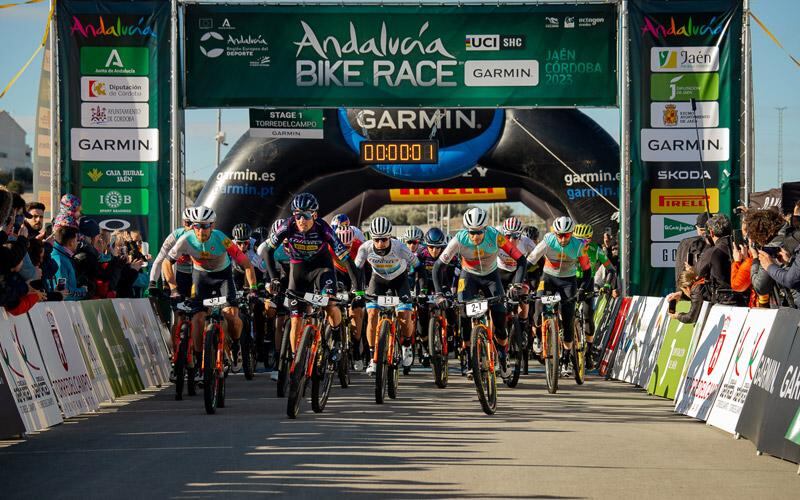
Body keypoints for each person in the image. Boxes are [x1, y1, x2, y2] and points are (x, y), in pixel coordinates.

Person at [260, 193, 359, 364]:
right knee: (295, 317)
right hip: (298, 270)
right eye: (297, 215)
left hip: (322, 268)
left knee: (329, 303)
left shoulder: (323, 228)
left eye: (305, 215)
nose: (301, 220)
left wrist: (356, 287)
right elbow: (267, 250)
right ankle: (295, 361)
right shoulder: (288, 225)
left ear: (314, 215)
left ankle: (336, 338)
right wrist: (274, 278)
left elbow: (345, 257)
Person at [433, 207, 527, 379]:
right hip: (469, 276)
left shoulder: (495, 236)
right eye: (471, 232)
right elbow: (438, 267)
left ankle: (503, 355)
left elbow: (521, 260)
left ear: (485, 229)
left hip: (491, 277)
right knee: (463, 315)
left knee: (499, 320)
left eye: (478, 233)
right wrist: (439, 294)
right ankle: (470, 358)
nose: (474, 237)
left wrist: (516, 285)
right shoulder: (460, 238)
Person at [164, 206, 258, 374]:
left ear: (212, 226)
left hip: (223, 277)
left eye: (205, 226)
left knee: (230, 314)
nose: (201, 230)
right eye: (197, 226)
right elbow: (166, 262)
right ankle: (201, 360)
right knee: (198, 319)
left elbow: (246, 264)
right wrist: (173, 289)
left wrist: (253, 289)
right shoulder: (185, 239)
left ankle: (235, 345)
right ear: (193, 226)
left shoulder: (222, 239)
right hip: (201, 278)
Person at [527, 216, 592, 376]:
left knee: (568, 319)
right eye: (560, 235)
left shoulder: (578, 246)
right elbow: (531, 260)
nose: (563, 239)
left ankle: (565, 358)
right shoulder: (548, 241)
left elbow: (587, 270)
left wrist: (583, 288)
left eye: (566, 235)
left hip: (568, 281)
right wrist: (523, 282)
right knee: (537, 306)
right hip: (548, 278)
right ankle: (538, 338)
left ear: (571, 234)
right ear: (555, 234)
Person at [355, 217, 419, 375]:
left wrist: (421, 290)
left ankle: (406, 346)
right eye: (377, 239)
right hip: (378, 281)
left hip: (400, 280)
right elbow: (357, 270)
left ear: (390, 237)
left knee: (404, 316)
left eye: (384, 239)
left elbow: (419, 266)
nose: (380, 243)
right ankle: (372, 357)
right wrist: (358, 291)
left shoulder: (400, 247)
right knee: (371, 314)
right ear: (372, 238)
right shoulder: (365, 248)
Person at [573, 223, 617, 367]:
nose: (581, 243)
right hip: (571, 282)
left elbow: (611, 269)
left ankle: (588, 353)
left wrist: (607, 285)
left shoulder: (595, 250)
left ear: (590, 239)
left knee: (587, 317)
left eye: (584, 240)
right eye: (578, 240)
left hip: (587, 283)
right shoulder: (569, 248)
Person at [331, 225, 366, 371]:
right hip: (336, 273)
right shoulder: (329, 246)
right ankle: (332, 339)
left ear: (353, 241)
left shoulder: (359, 246)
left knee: (356, 311)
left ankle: (357, 351)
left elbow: (363, 269)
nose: (345, 248)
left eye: (348, 245)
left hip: (355, 273)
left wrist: (359, 292)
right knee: (331, 304)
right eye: (342, 246)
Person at [497, 217, 535, 352]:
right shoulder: (497, 239)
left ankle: (523, 327)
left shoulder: (526, 242)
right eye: (508, 236)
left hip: (518, 272)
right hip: (501, 272)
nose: (511, 240)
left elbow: (541, 259)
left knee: (524, 295)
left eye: (515, 236)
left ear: (521, 235)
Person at [696, 214, 743, 306]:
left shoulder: (712, 252)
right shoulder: (742, 247)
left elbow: (698, 273)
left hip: (723, 300)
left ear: (712, 232)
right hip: (744, 298)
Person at [50, 225, 87, 301]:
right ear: (71, 242)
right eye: (77, 240)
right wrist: (83, 291)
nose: (78, 243)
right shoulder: (60, 260)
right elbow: (63, 291)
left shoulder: (63, 257)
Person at [675, 213, 710, 288]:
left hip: (700, 291)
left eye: (704, 230)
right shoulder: (686, 244)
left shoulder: (686, 243)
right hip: (692, 290)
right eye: (702, 230)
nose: (704, 234)